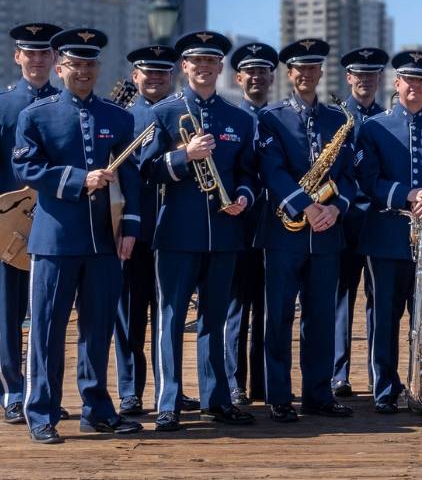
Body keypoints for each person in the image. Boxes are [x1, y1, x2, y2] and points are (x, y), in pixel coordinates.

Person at [14, 27, 142, 443]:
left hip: (104, 241)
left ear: (98, 68)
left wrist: (131, 228)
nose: (83, 71)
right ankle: (41, 413)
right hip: (54, 242)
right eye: (75, 64)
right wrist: (76, 179)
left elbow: (132, 177)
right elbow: (26, 168)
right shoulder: (36, 115)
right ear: (59, 65)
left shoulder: (118, 117)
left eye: (90, 64)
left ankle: (97, 410)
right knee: (47, 331)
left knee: (97, 328)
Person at [139, 30, 257, 432]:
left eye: (211, 61)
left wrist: (243, 196)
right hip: (176, 232)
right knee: (170, 319)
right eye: (196, 61)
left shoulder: (239, 117)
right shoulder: (162, 113)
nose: (204, 68)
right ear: (184, 67)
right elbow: (147, 170)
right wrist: (183, 156)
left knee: (216, 319)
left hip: (224, 233)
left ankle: (216, 399)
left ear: (220, 67)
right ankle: (168, 402)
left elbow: (247, 172)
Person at [356, 50, 422, 414]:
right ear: (397, 83)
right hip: (386, 237)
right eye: (408, 80)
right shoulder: (373, 128)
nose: (414, 86)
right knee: (384, 317)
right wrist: (408, 194)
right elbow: (367, 181)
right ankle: (384, 390)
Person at [257, 38, 357, 422]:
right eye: (300, 68)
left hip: (327, 232)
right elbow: (273, 170)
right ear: (289, 72)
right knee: (279, 316)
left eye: (313, 68)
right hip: (285, 232)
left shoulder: (338, 119)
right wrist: (306, 205)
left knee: (321, 317)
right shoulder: (272, 117)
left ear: (320, 72)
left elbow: (348, 175)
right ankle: (279, 396)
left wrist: (335, 207)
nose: (307, 74)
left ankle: (318, 394)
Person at [114, 43, 191, 418]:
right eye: (149, 72)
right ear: (135, 76)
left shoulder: (183, 113)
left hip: (174, 229)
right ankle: (130, 391)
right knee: (130, 314)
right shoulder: (123, 119)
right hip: (136, 231)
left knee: (170, 315)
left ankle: (169, 390)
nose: (156, 78)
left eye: (163, 72)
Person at [0, 23, 60, 426]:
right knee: (6, 310)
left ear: (55, 59)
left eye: (45, 53)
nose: (38, 59)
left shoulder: (66, 102)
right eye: (30, 53)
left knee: (47, 312)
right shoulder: (2, 104)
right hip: (6, 222)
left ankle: (43, 392)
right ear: (17, 57)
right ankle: (12, 391)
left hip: (54, 222)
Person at [224, 41, 279, 406]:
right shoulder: (230, 118)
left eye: (263, 71)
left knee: (269, 308)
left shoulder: (281, 119)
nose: (257, 77)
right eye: (250, 72)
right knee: (235, 309)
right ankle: (233, 383)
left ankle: (262, 384)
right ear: (238, 77)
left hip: (275, 225)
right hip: (238, 225)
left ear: (272, 78)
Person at [332, 46, 388, 397]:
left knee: (377, 299)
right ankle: (339, 373)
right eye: (358, 75)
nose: (365, 80)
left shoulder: (387, 120)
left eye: (372, 75)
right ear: (348, 78)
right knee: (341, 298)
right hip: (343, 218)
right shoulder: (335, 118)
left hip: (378, 220)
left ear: (380, 79)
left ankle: (375, 372)